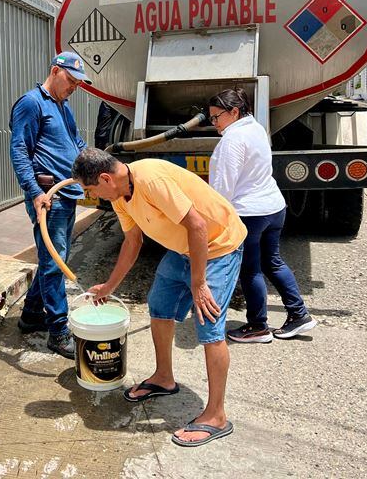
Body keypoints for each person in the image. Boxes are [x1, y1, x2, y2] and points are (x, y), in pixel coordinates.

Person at [72, 148, 247, 448]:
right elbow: (132, 241)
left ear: (105, 178)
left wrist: (199, 283)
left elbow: (198, 225)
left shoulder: (150, 180)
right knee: (159, 305)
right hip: (183, 248)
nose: (93, 195)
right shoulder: (119, 195)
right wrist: (109, 286)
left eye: (91, 189)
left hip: (218, 245)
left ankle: (216, 415)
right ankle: (164, 378)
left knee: (208, 323)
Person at [207, 88, 317, 343]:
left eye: (216, 117)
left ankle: (258, 326)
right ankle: (299, 314)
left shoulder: (232, 140)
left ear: (234, 111)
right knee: (273, 262)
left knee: (250, 270)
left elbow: (223, 188)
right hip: (273, 208)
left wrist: (214, 221)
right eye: (211, 118)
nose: (214, 123)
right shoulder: (255, 128)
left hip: (250, 213)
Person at [9, 52, 92, 359]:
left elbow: (77, 143)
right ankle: (58, 333)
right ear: (55, 71)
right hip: (48, 197)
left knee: (53, 258)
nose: (74, 87)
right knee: (55, 263)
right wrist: (34, 192)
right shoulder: (31, 103)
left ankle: (31, 315)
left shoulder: (63, 106)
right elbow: (19, 150)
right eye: (70, 80)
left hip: (67, 194)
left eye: (78, 83)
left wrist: (96, 162)